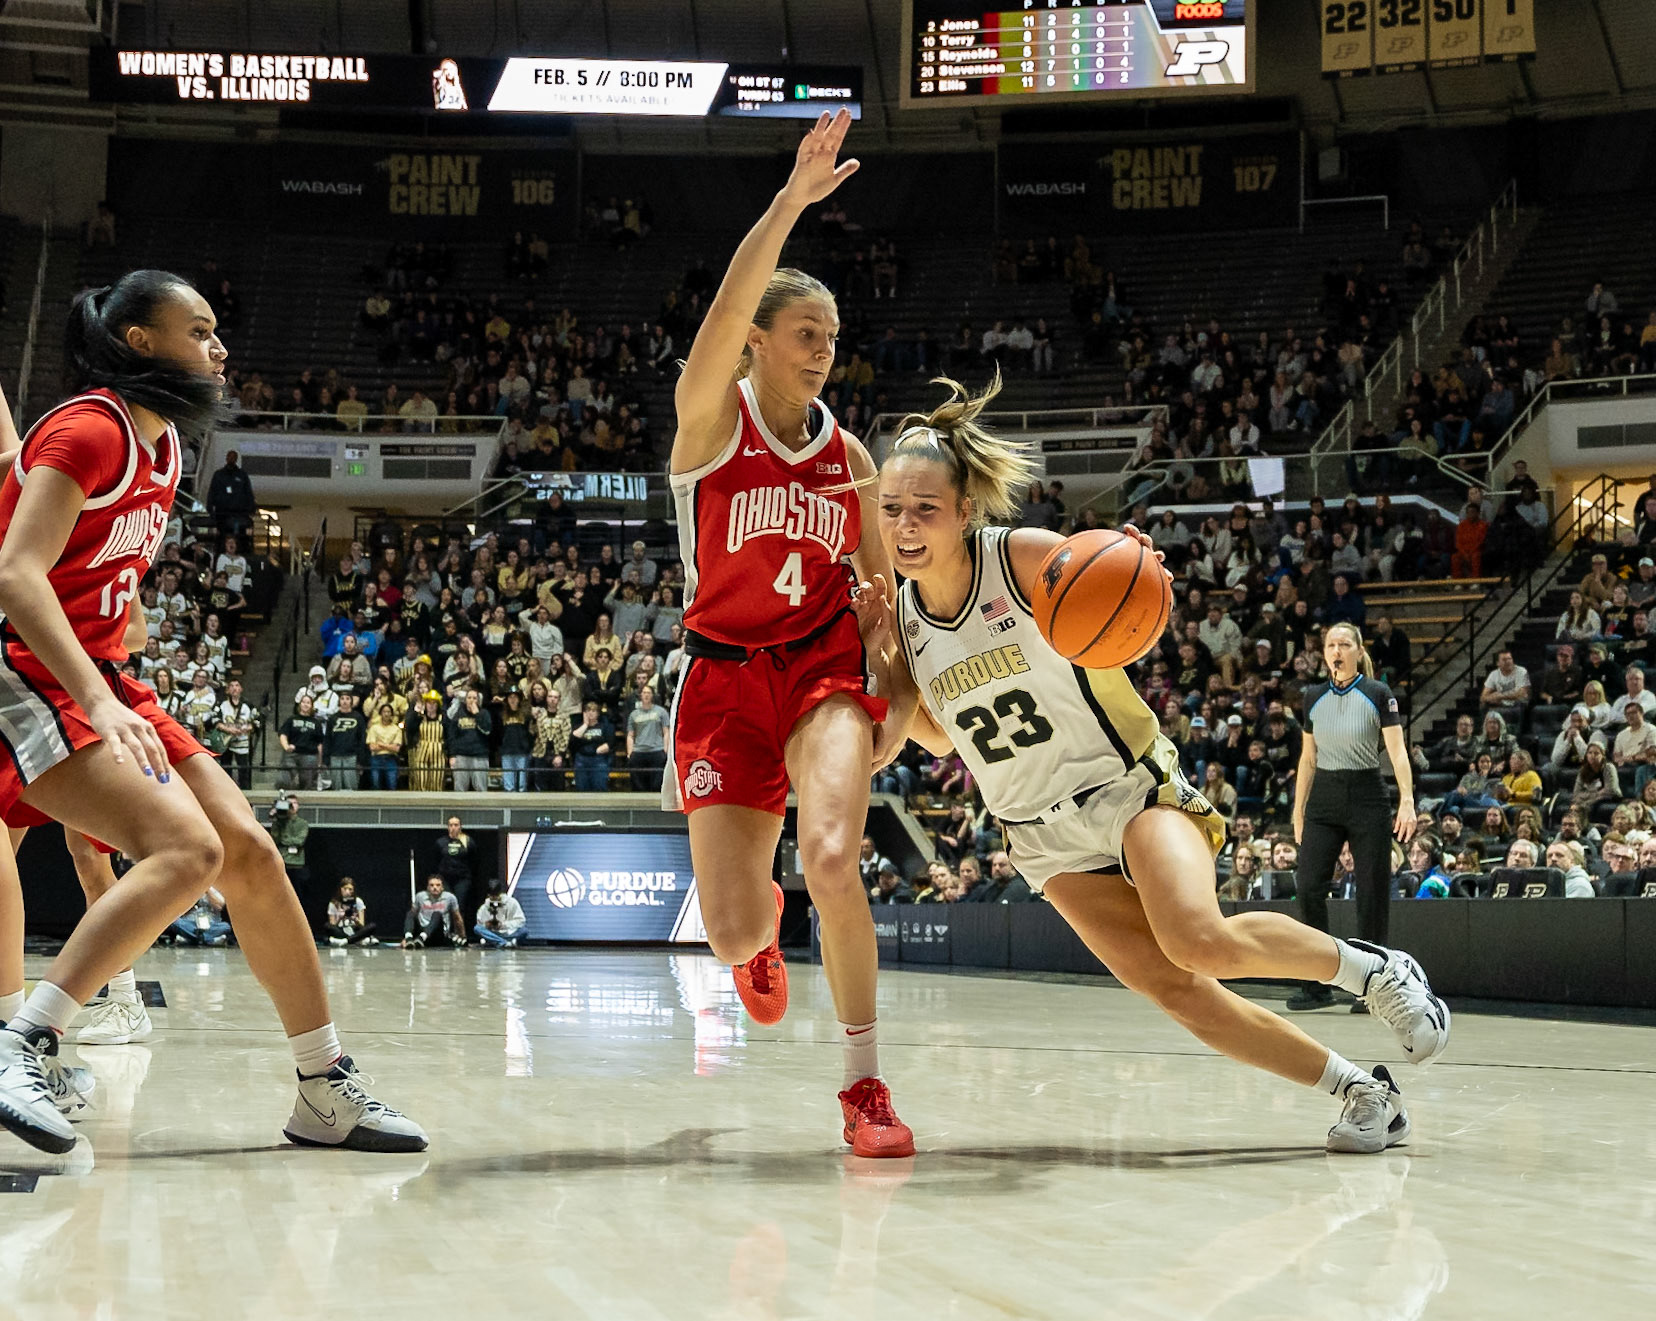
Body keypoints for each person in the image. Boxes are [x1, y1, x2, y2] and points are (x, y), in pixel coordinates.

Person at [874, 378, 1449, 1155]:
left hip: (1127, 787)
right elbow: (940, 741)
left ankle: (1377, 970)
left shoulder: (1021, 560)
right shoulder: (901, 618)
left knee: (1198, 940)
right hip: (1039, 836)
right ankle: (1363, 1092)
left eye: (925, 508)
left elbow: (1126, 590)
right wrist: (878, 672)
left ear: (966, 509)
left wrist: (1142, 579)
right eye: (892, 509)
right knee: (1178, 991)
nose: (906, 526)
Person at [0, 271, 422, 1154]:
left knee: (250, 854)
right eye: (200, 331)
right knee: (186, 850)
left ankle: (323, 1086)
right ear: (141, 343)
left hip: (102, 670)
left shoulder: (166, 450)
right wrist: (93, 697)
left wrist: (120, 648)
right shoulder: (88, 428)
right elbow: (17, 573)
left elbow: (104, 575)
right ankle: (22, 1042)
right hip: (24, 666)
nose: (220, 348)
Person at [662, 109, 912, 1155]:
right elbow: (723, 306)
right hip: (722, 684)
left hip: (820, 677)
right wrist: (788, 204)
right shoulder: (710, 419)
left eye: (833, 341)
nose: (824, 352)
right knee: (732, 930)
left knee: (833, 853)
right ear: (758, 342)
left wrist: (893, 690)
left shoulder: (853, 458)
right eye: (806, 334)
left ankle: (863, 1085)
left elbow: (878, 595)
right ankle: (754, 934)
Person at [1287, 624, 1418, 1014]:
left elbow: (1396, 753)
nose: (1337, 651)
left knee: (1372, 890)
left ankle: (1372, 986)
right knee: (1308, 885)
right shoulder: (1312, 696)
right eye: (1331, 645)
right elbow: (1307, 759)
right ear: (1324, 653)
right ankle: (1317, 984)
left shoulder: (1378, 694)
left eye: (1344, 644)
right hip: (1324, 797)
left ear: (1359, 652)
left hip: (1367, 794)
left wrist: (1407, 799)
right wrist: (1298, 811)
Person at [205, 447, 255, 539]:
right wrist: (210, 508)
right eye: (229, 457)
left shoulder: (242, 475)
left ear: (236, 459)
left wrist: (251, 508)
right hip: (222, 513)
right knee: (222, 537)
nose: (231, 459)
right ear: (226, 458)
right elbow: (212, 491)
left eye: (233, 457)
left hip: (239, 513)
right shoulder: (218, 474)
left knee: (240, 537)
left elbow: (248, 492)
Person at [403, 874, 465, 948]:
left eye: (438, 885)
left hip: (438, 933)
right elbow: (412, 916)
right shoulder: (420, 896)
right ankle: (408, 938)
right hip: (421, 930)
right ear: (428, 887)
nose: (435, 888)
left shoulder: (450, 898)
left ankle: (422, 938)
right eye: (431, 885)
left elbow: (457, 917)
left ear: (442, 887)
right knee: (410, 913)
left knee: (437, 913)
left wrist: (463, 936)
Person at [433, 815, 477, 915]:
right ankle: (446, 929)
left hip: (462, 879)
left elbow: (474, 860)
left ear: (460, 827)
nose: (453, 827)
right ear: (448, 827)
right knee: (445, 905)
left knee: (459, 905)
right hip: (445, 879)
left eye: (456, 825)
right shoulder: (441, 842)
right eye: (451, 825)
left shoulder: (468, 841)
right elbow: (436, 860)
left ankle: (458, 930)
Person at [326, 878, 377, 946]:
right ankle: (357, 940)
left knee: (372, 926)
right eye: (345, 888)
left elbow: (362, 924)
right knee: (327, 926)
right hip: (341, 930)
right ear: (341, 889)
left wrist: (355, 920)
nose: (347, 892)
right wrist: (340, 918)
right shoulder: (333, 903)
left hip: (354, 929)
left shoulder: (358, 901)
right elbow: (332, 924)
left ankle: (345, 941)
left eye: (350, 889)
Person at [474, 883, 527, 948]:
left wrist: (503, 925)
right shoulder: (484, 907)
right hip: (493, 933)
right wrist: (487, 925)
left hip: (508, 932)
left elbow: (521, 921)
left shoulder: (512, 902)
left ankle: (496, 942)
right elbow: (480, 923)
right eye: (492, 896)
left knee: (524, 931)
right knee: (477, 928)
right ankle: (504, 943)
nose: (494, 898)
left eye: (496, 895)